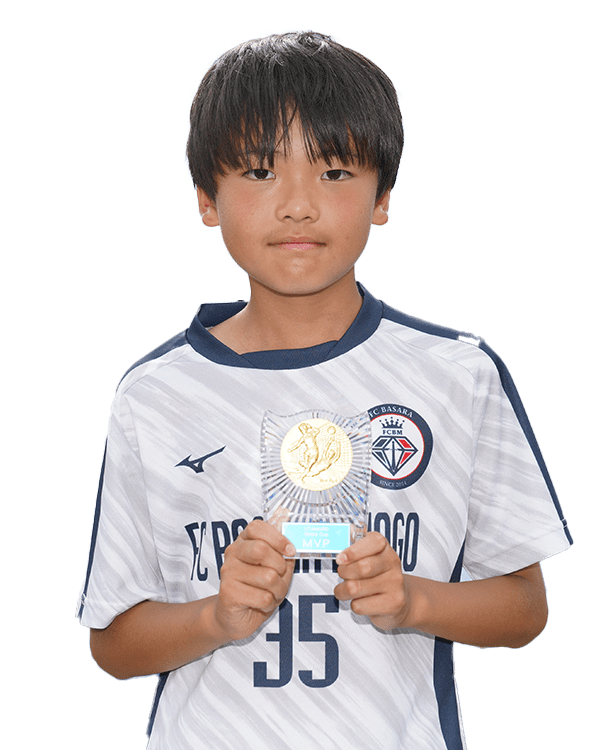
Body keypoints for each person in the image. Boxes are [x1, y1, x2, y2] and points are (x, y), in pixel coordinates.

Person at [76, 29, 573, 749]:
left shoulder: (456, 375)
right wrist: (217, 616)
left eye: (335, 171)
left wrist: (412, 601)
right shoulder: (154, 395)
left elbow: (525, 610)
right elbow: (114, 643)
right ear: (207, 198)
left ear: (384, 197)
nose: (298, 205)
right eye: (259, 170)